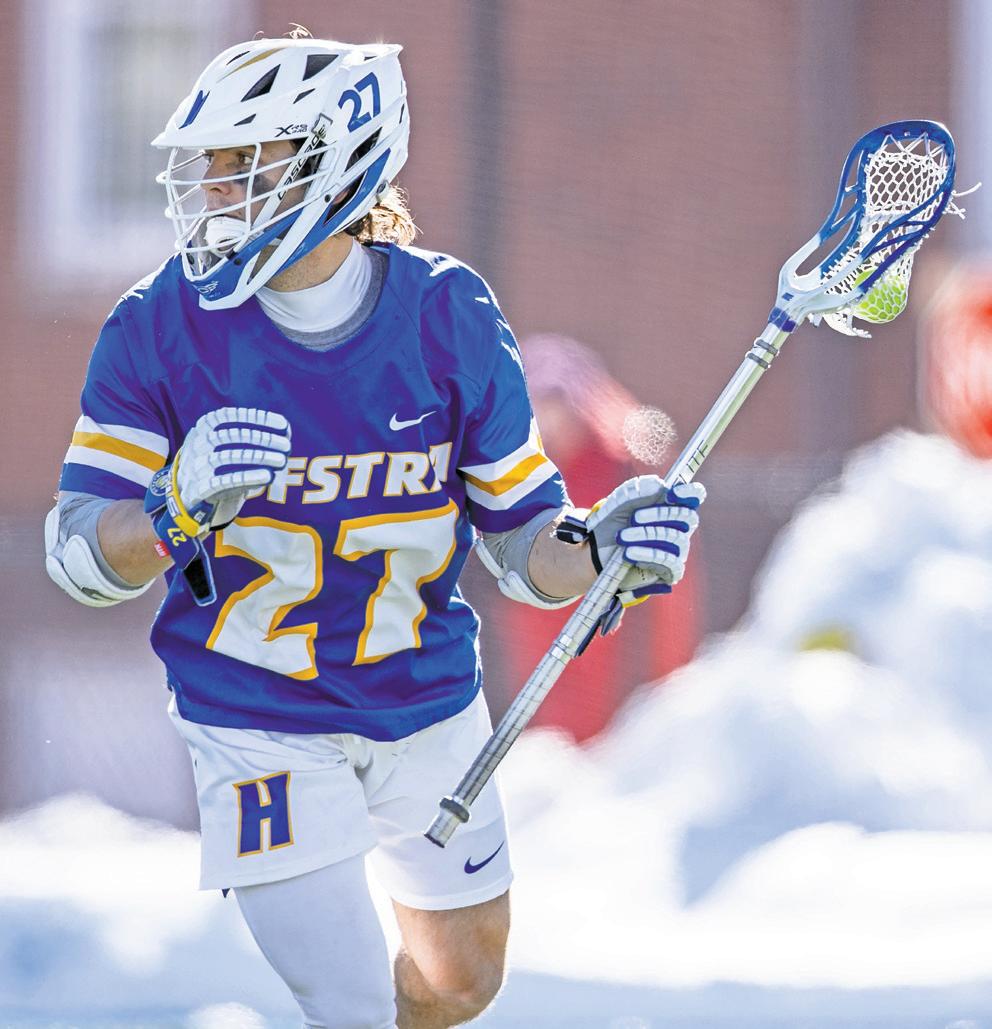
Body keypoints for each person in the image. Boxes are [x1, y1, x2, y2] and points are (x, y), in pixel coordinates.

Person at [45, 32, 705, 1029]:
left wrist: (599, 547)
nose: (214, 188)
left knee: (461, 982)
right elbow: (78, 557)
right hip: (256, 713)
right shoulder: (158, 324)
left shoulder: (446, 313)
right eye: (211, 163)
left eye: (244, 161)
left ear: (332, 162)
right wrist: (172, 507)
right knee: (350, 1003)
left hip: (424, 699)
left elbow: (526, 547)